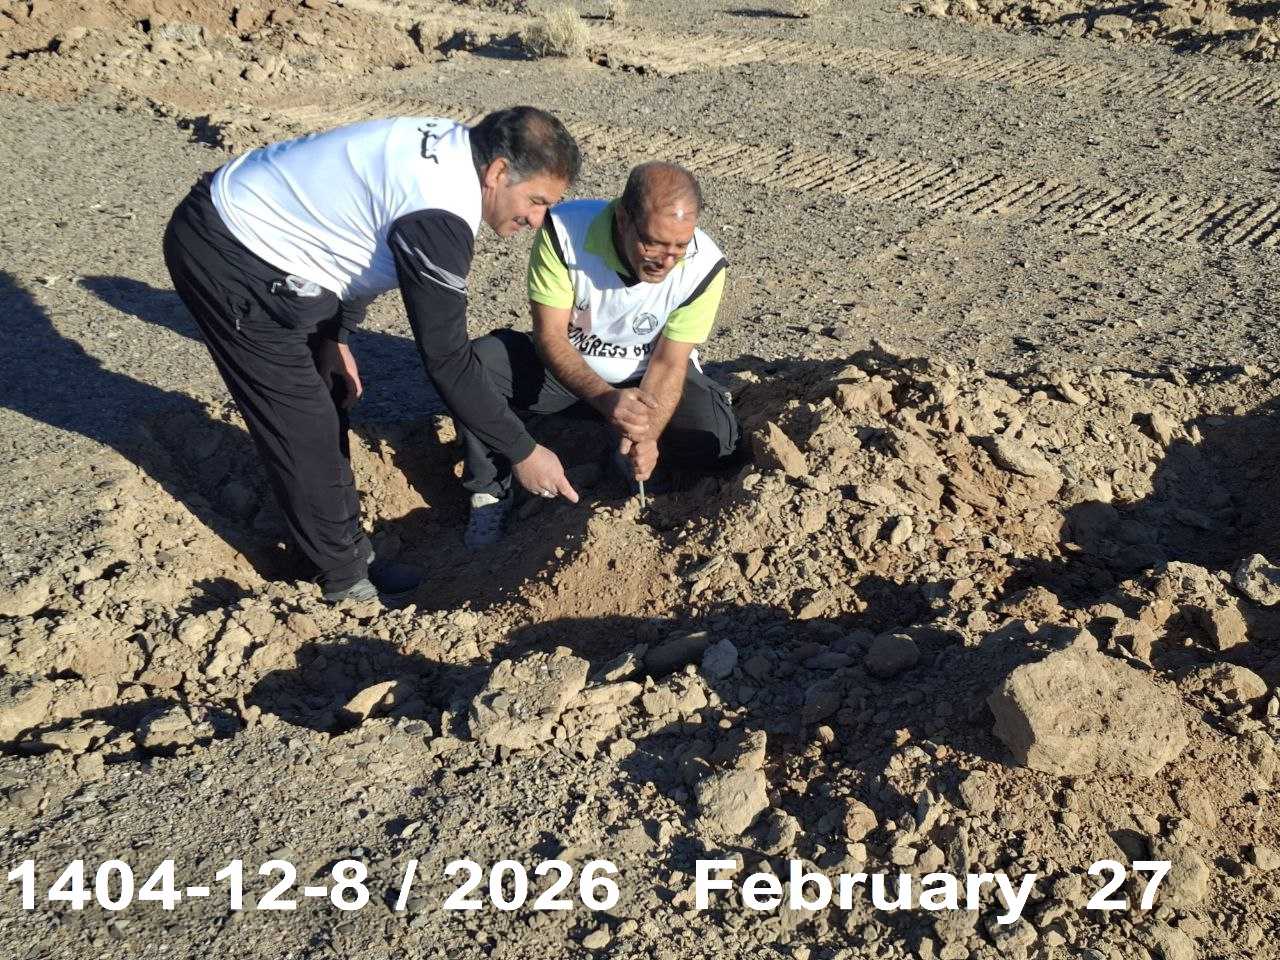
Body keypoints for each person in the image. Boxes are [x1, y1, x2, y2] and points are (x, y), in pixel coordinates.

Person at [163, 106, 583, 602]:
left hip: (276, 246)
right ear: (497, 172)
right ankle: (342, 580)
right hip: (232, 250)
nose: (537, 220)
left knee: (327, 397)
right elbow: (447, 359)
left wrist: (337, 335)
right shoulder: (440, 212)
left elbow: (355, 232)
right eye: (536, 201)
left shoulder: (453, 150)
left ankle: (346, 554)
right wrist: (523, 451)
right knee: (303, 420)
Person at [461, 161, 743, 548]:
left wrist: (648, 434)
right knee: (476, 369)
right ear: (623, 219)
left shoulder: (704, 265)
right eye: (654, 242)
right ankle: (489, 490)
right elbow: (550, 336)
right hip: (568, 372)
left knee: (719, 442)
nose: (666, 260)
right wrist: (607, 399)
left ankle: (625, 452)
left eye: (679, 246)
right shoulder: (565, 231)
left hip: (645, 377)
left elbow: (669, 362)